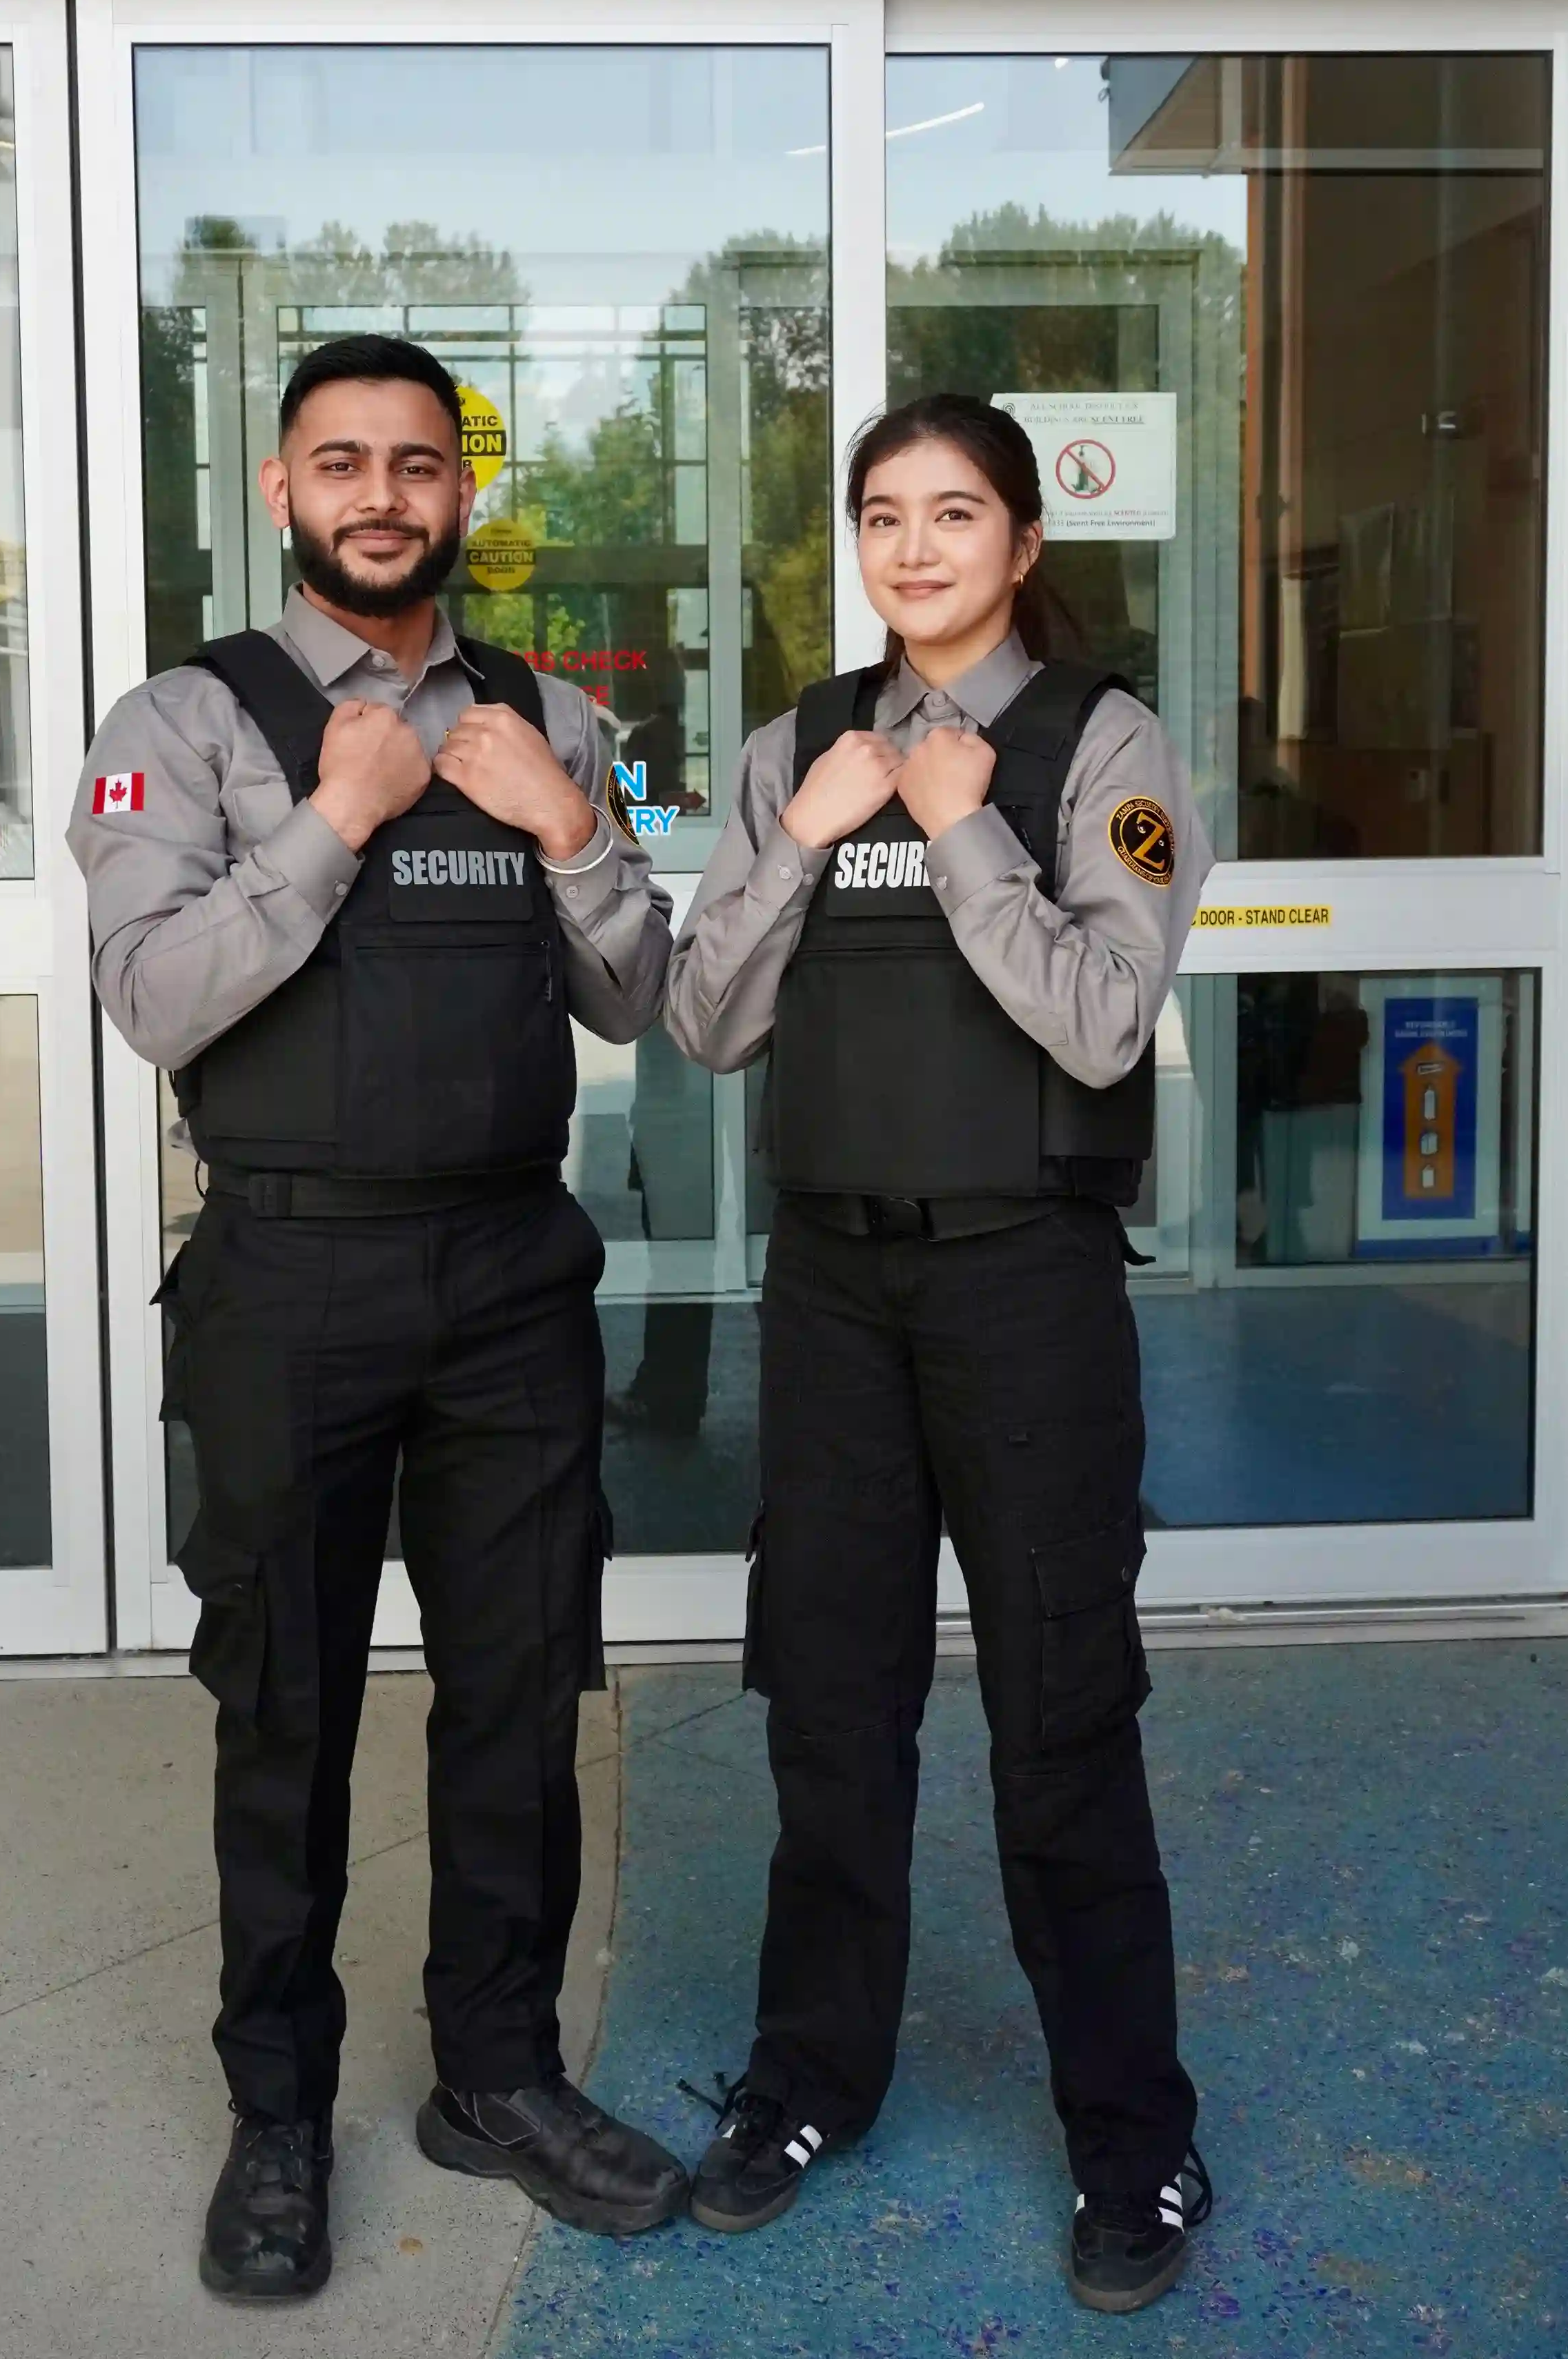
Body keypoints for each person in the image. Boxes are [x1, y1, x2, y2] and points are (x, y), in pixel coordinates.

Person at [68, 334, 688, 2302]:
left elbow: (634, 996)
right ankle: (277, 2109)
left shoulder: (543, 720)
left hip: (509, 1275)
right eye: (340, 459)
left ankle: (497, 2074)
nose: (382, 492)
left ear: (460, 493)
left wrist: (568, 830)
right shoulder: (187, 723)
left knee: (519, 1695)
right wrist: (335, 817)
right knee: (289, 1709)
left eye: (417, 461)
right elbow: (158, 994)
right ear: (280, 492)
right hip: (288, 1276)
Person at [665, 391, 1213, 2315]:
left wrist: (964, 830)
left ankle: (1134, 2136)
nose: (912, 548)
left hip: (1022, 1290)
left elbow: (1096, 1020)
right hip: (832, 1290)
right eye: (881, 515)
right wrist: (804, 839)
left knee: (1061, 1711)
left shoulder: (1105, 747)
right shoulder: (791, 748)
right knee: (830, 1700)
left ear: (1017, 539)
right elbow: (707, 1021)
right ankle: (808, 2080)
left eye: (952, 512)